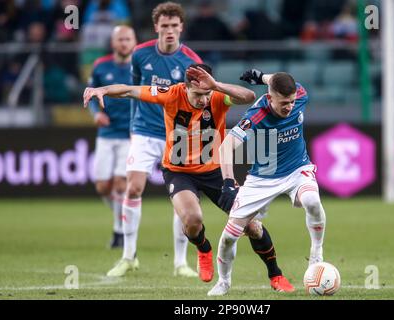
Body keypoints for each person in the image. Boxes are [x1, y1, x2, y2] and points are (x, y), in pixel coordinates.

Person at [83, 64, 295, 292]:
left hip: (215, 172)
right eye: (198, 94)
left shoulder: (217, 96)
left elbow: (249, 96)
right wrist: (102, 90)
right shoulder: (171, 94)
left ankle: (276, 275)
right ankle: (203, 248)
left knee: (252, 225)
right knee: (192, 220)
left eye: (207, 94)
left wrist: (215, 87)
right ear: (186, 88)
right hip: (179, 171)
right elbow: (128, 90)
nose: (204, 99)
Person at [207, 69, 327, 296]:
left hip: (296, 169)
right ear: (270, 98)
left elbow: (275, 80)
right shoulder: (256, 115)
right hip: (261, 178)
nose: (289, 107)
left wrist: (261, 76)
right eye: (284, 103)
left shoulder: (299, 94)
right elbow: (226, 147)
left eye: (291, 102)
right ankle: (224, 282)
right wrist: (227, 183)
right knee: (230, 236)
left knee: (311, 199)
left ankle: (317, 253)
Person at [108, 2, 203, 278]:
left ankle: (180, 262)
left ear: (181, 27)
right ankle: (128, 257)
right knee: (134, 188)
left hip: (178, 135)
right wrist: (131, 126)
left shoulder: (191, 62)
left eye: (175, 26)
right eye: (165, 26)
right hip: (144, 131)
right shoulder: (140, 54)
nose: (170, 31)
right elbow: (132, 90)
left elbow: (200, 102)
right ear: (156, 27)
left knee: (184, 199)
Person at [87, 25, 136, 248]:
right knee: (102, 187)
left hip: (130, 134)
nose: (124, 43)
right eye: (120, 40)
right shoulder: (100, 66)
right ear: (113, 43)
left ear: (134, 42)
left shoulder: (140, 67)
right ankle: (119, 220)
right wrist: (96, 114)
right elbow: (89, 94)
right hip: (106, 134)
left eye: (128, 39)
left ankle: (119, 232)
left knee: (119, 184)